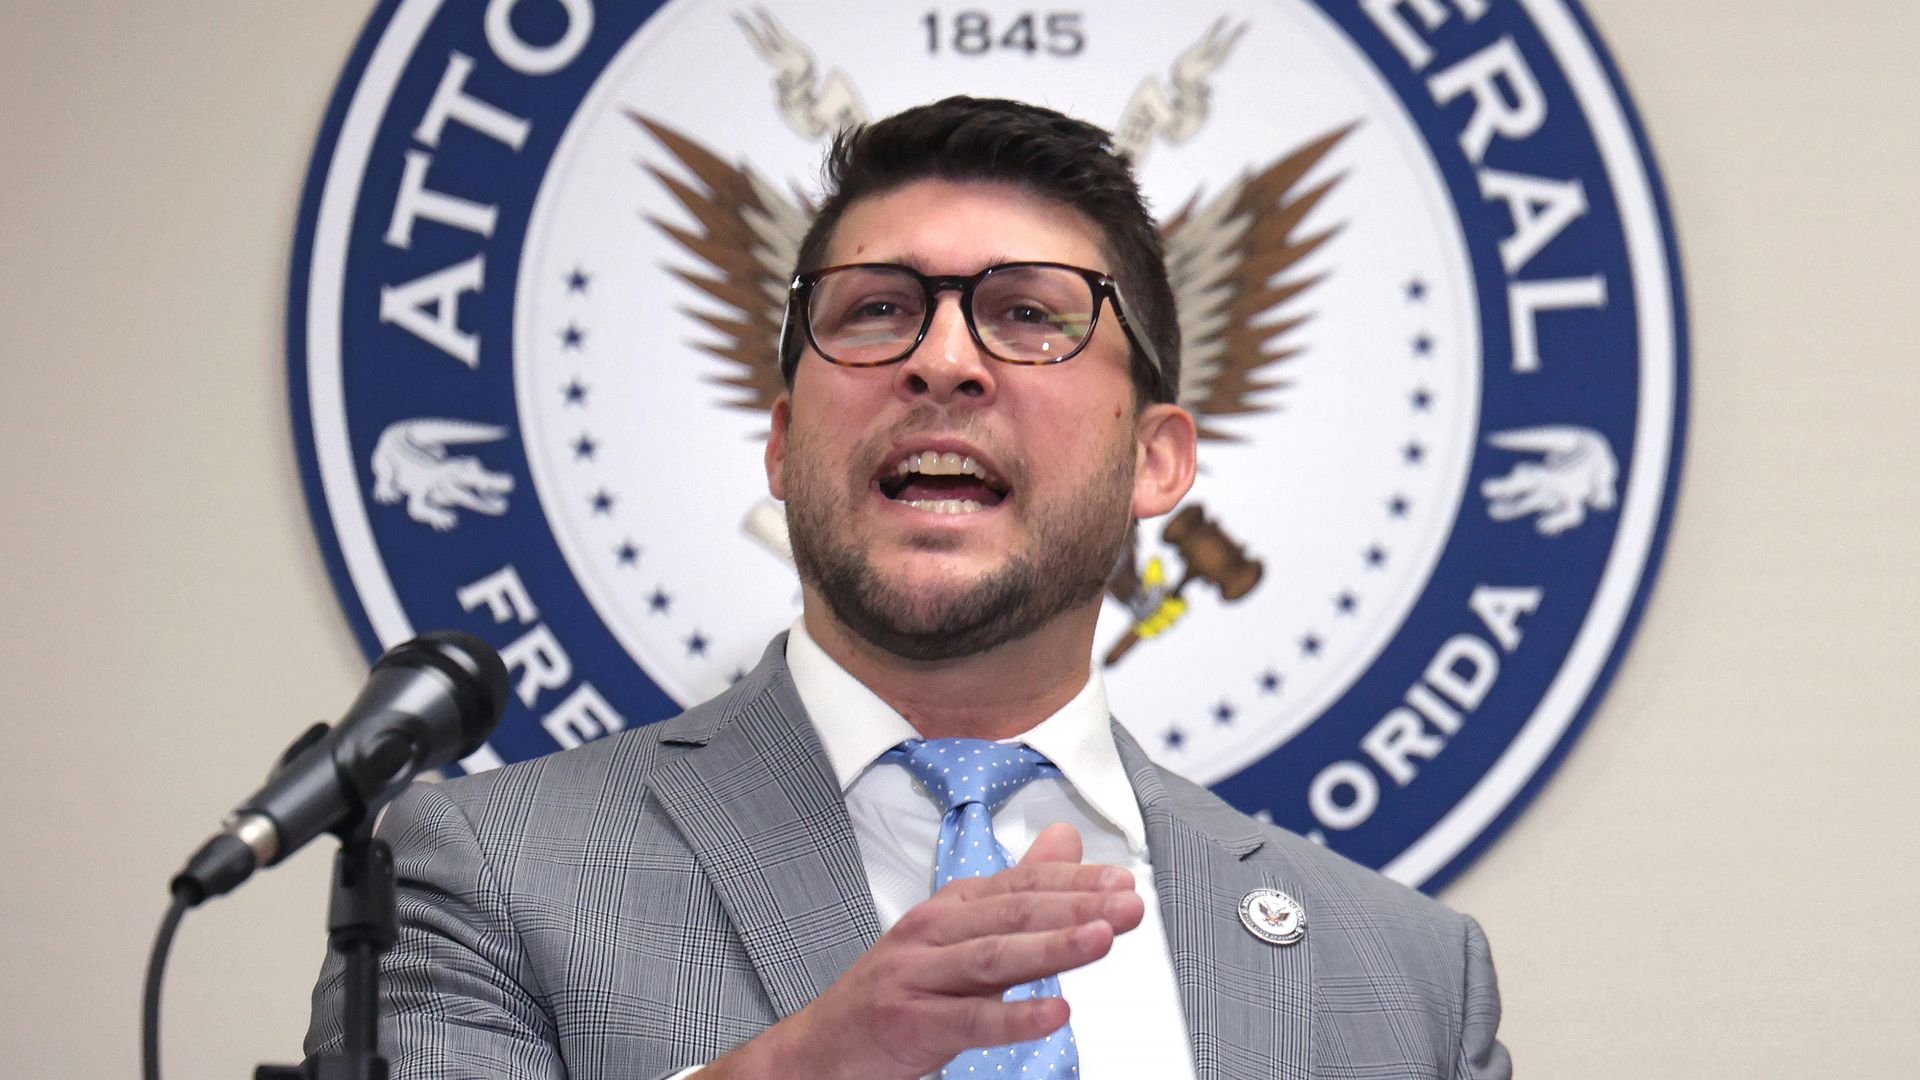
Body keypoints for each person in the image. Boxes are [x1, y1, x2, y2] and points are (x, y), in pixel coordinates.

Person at [308, 96, 1510, 1079]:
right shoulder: (485, 873)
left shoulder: (1406, 981)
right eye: (879, 312)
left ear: (1158, 460)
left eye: (1030, 316)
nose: (942, 363)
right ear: (782, 445)